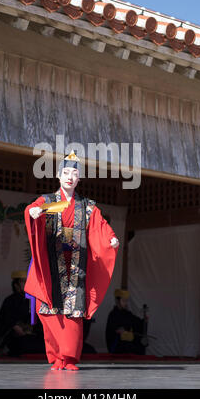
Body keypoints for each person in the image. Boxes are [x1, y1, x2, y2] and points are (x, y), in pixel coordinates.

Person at [24, 150, 119, 370]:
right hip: (52, 265)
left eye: (74, 173)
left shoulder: (87, 206)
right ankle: (56, 356)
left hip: (76, 266)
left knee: (73, 313)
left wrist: (111, 239)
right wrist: (34, 213)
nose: (69, 177)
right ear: (58, 176)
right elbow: (31, 210)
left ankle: (69, 358)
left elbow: (101, 226)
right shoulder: (47, 200)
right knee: (49, 311)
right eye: (65, 172)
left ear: (78, 179)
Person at [0, 270, 45, 357]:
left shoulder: (34, 299)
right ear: (16, 285)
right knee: (23, 345)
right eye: (23, 281)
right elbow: (7, 320)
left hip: (30, 335)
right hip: (15, 336)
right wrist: (16, 327)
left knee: (43, 346)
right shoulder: (9, 300)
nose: (27, 283)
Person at [105, 289, 147, 355]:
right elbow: (111, 331)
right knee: (127, 347)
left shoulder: (127, 313)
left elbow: (137, 323)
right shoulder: (113, 315)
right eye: (123, 301)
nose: (126, 303)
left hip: (127, 342)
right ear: (117, 301)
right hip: (118, 344)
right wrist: (118, 331)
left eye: (126, 301)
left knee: (138, 346)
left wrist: (144, 321)